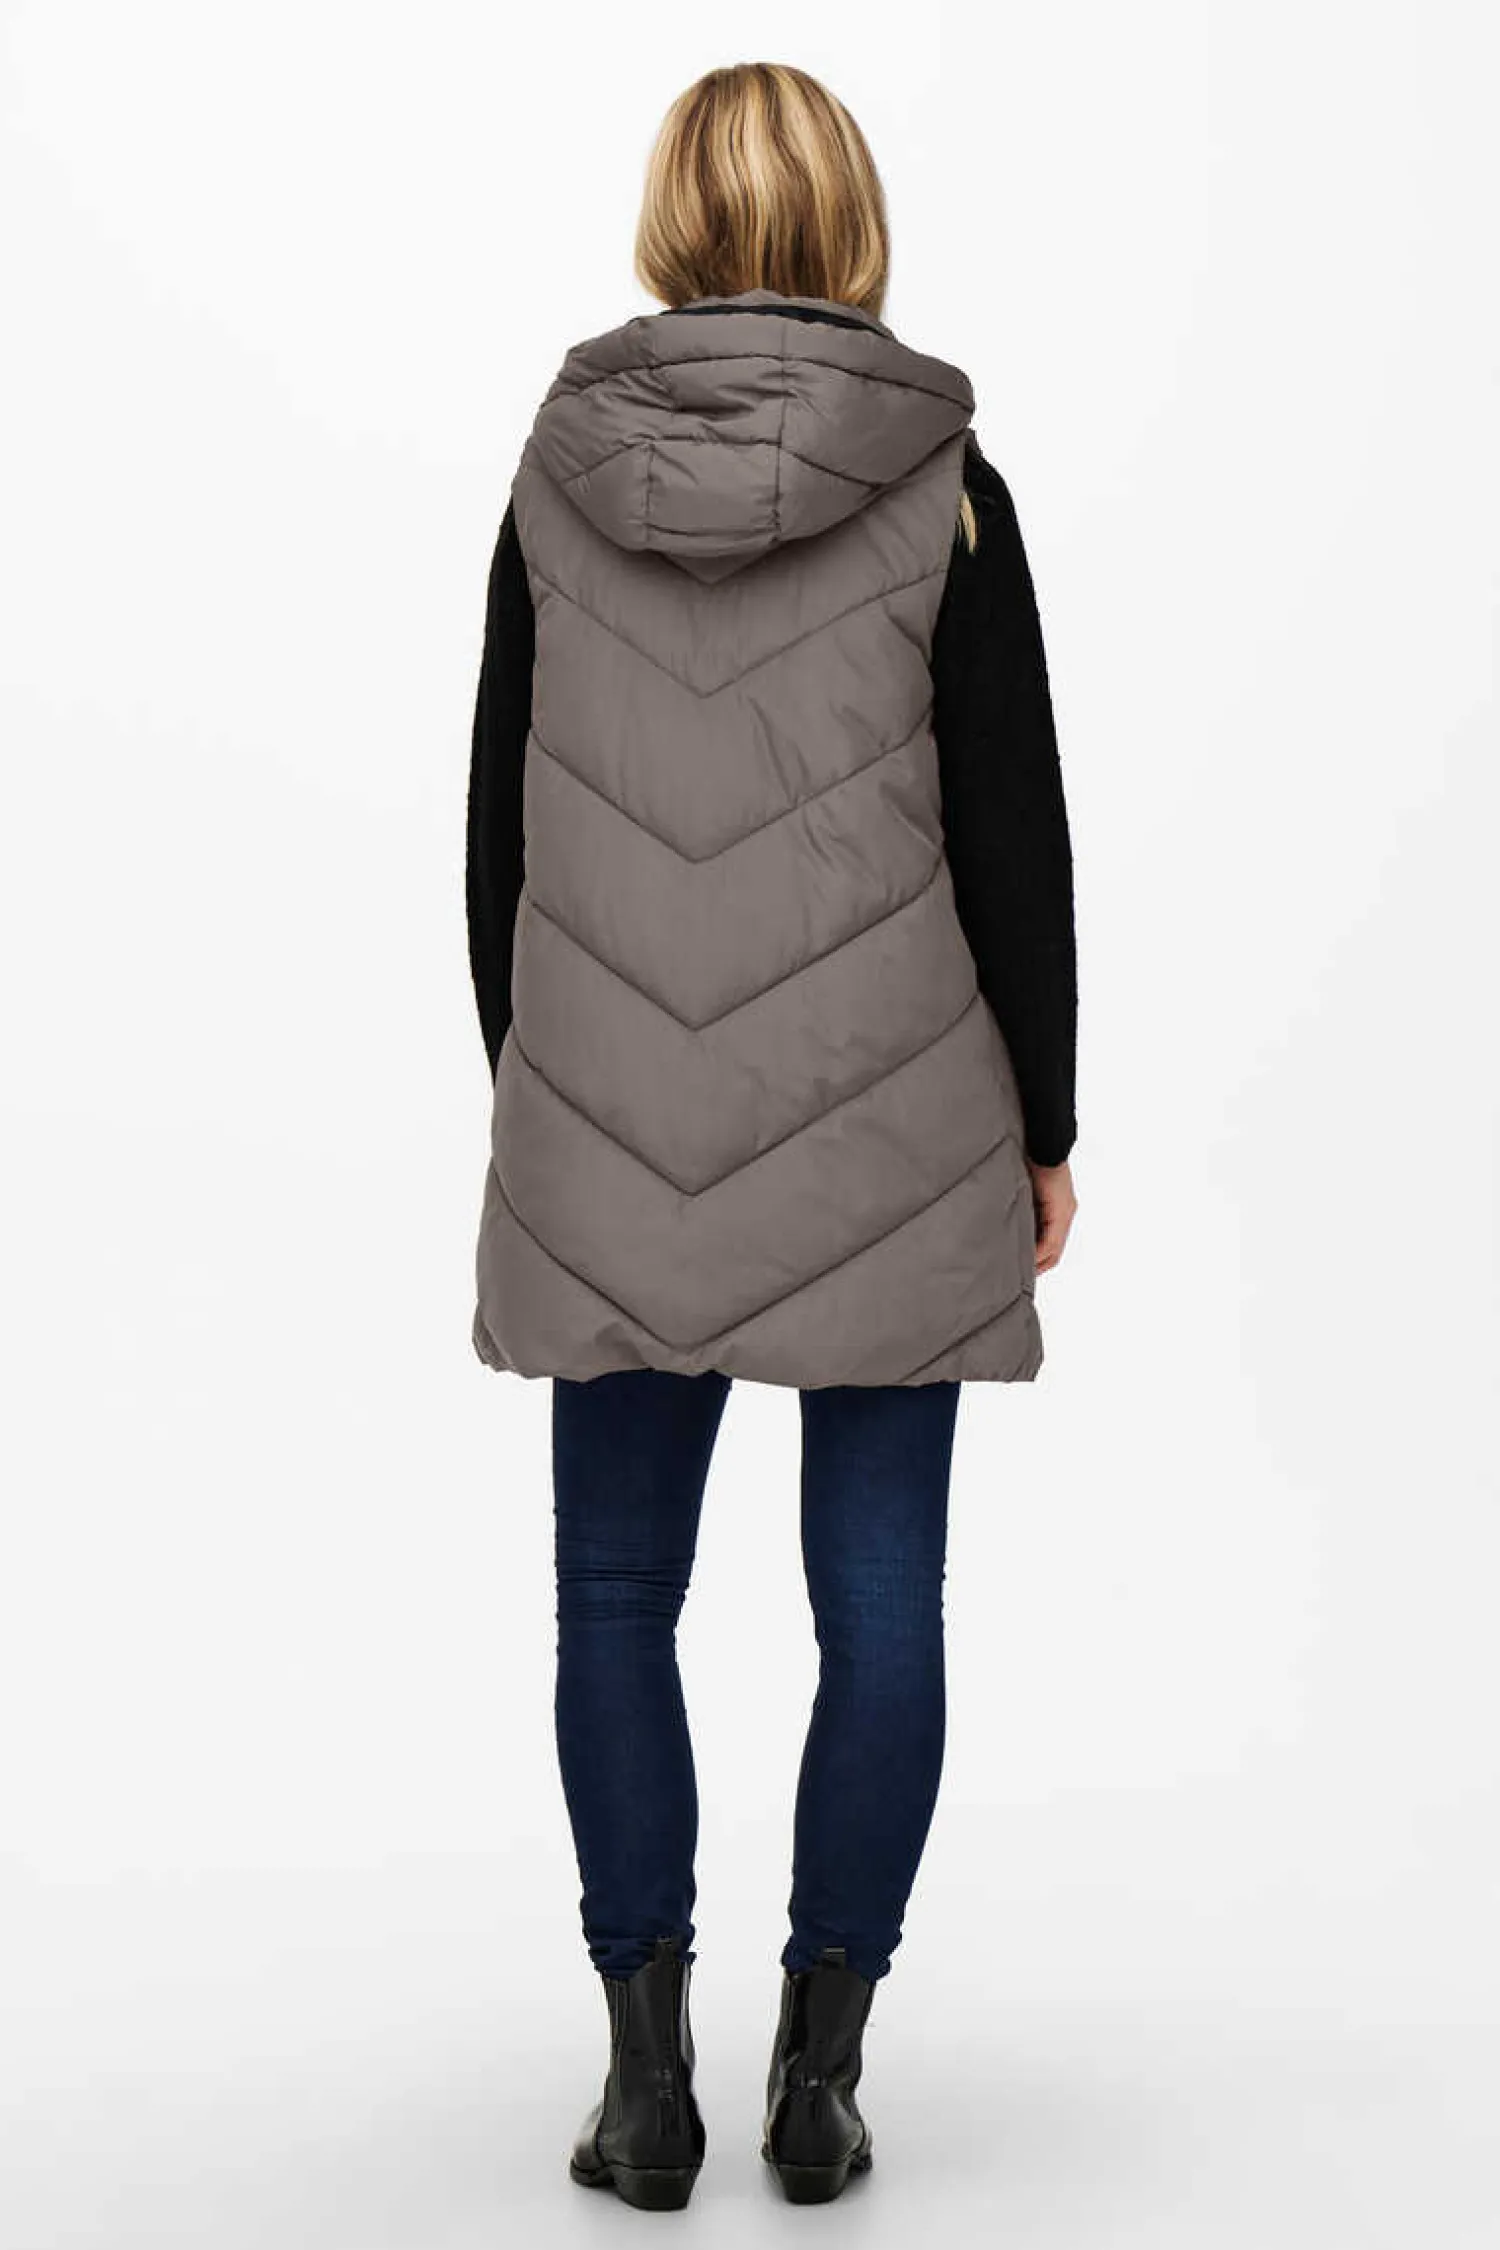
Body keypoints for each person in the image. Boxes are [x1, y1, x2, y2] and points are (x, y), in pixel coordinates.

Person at [464, 59, 1078, 2210]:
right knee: (881, 1607)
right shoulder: (948, 483)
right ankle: (821, 2078)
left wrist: (547, 1098)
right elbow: (1014, 829)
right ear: (850, 219)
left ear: (671, 220)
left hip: (607, 1124)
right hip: (897, 1126)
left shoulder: (556, 478)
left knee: (613, 1596)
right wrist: (1045, 1121)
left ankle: (647, 2088)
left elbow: (494, 832)